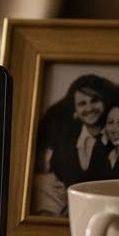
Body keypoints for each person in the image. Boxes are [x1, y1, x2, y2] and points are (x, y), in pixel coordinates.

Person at [32, 73, 116, 214]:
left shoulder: (115, 142)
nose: (89, 108)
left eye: (95, 100)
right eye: (82, 104)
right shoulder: (64, 145)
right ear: (75, 110)